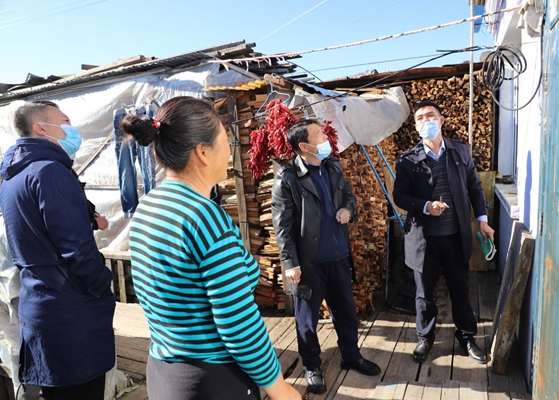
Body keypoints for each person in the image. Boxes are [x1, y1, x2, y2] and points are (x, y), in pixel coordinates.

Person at [122, 96, 301, 400]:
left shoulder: (149, 204)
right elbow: (238, 324)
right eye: (225, 141)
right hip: (212, 380)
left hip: (165, 369)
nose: (230, 150)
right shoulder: (205, 218)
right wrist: (279, 387)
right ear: (203, 152)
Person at [0, 100, 116, 400]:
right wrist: (101, 283)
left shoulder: (13, 175)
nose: (71, 129)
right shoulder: (49, 171)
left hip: (40, 298)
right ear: (41, 128)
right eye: (64, 122)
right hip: (69, 309)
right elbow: (75, 247)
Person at [271, 119, 381, 395]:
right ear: (304, 146)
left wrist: (348, 211)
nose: (325, 137)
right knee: (307, 320)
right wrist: (290, 263)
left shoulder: (332, 167)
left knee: (346, 312)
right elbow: (282, 226)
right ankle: (312, 366)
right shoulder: (288, 178)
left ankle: (351, 355)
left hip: (339, 256)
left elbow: (349, 196)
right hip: (309, 264)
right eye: (319, 134)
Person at [393, 100, 494, 364]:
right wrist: (426, 206)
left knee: (460, 289)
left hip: (454, 237)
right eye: (420, 118)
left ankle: (467, 337)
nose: (425, 121)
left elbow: (474, 186)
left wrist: (482, 220)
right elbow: (400, 196)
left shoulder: (460, 151)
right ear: (415, 126)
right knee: (423, 294)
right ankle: (425, 338)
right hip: (423, 239)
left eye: (430, 116)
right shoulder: (408, 160)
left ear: (442, 120)